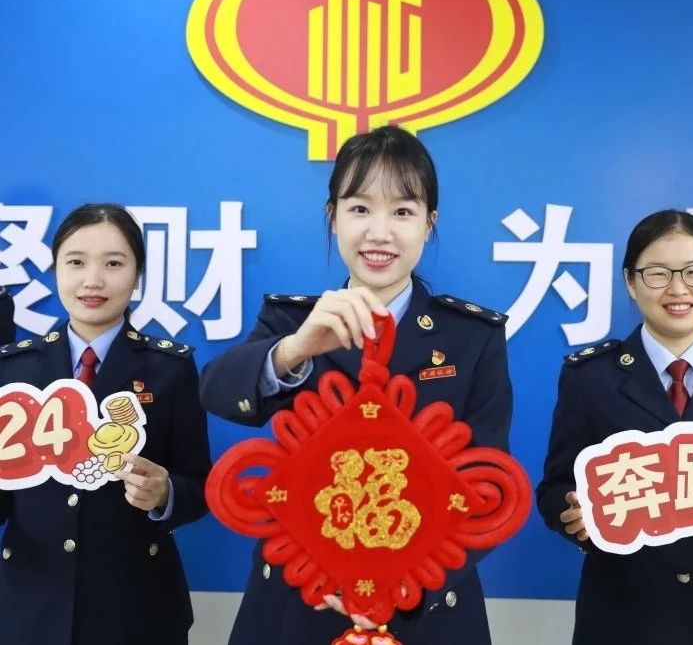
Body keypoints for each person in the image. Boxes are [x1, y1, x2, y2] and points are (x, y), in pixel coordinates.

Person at [200, 125, 513, 644]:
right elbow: (216, 393)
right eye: (360, 209)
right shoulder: (293, 322)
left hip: (427, 606)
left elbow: (488, 489)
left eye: (403, 212)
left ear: (429, 223)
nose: (379, 233)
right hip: (298, 595)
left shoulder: (471, 336)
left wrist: (402, 587)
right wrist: (295, 348)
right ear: (334, 217)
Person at [0, 203, 211, 645]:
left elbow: (199, 485)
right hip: (30, 605)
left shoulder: (170, 368)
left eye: (113, 264)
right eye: (76, 262)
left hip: (137, 607)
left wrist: (165, 494)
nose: (93, 280)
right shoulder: (15, 369)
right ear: (55, 270)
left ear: (137, 276)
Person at [536, 209, 693, 645]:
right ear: (630, 282)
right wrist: (571, 512)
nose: (678, 289)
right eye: (657, 273)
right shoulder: (590, 376)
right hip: (625, 614)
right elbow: (555, 486)